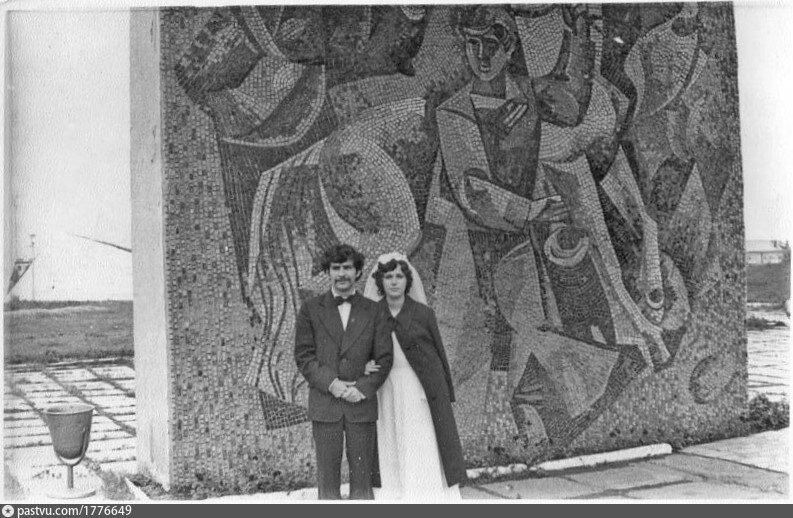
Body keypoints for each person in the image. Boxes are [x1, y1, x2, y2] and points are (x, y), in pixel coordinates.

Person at [362, 252, 467, 501]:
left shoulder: (422, 314)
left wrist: (442, 391)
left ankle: (424, 494)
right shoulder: (371, 314)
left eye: (399, 276)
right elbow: (362, 349)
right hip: (385, 388)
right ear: (380, 281)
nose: (394, 282)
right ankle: (392, 497)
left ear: (407, 280)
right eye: (388, 276)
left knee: (419, 438)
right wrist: (364, 365)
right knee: (389, 438)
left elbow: (438, 355)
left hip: (417, 386)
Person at [294, 244, 393, 500]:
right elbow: (304, 356)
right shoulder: (310, 309)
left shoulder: (374, 311)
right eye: (335, 268)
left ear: (358, 272)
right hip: (326, 403)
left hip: (361, 404)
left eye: (347, 268)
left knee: (363, 482)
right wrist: (332, 384)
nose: (341, 274)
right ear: (328, 271)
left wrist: (362, 388)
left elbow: (384, 358)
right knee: (327, 483)